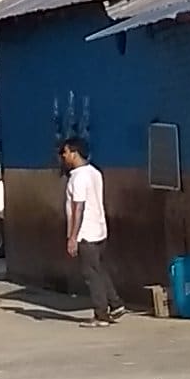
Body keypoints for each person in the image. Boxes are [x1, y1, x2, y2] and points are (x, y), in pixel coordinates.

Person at [62, 137, 119, 323]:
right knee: (99, 269)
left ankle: (101, 314)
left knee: (90, 275)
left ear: (74, 153)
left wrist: (72, 237)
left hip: (86, 233)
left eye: (65, 152)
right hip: (100, 229)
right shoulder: (95, 172)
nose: (64, 156)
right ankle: (116, 304)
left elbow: (79, 208)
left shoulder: (78, 177)